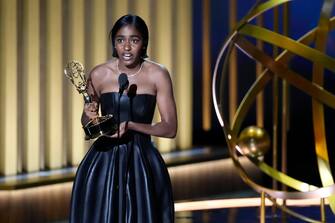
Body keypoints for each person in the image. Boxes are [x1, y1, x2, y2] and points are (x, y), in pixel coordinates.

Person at [69, 14, 177, 223]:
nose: (127, 47)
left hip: (142, 164)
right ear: (114, 43)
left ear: (143, 43)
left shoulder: (158, 74)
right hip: (103, 163)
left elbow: (170, 128)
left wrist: (132, 125)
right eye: (120, 40)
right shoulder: (99, 74)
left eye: (134, 40)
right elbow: (88, 126)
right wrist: (88, 116)